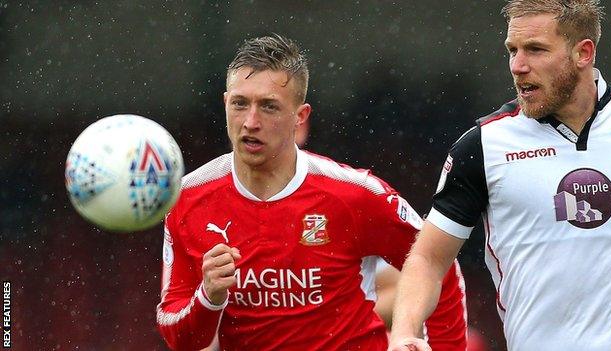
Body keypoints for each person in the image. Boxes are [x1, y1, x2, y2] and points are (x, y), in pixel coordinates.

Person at [156, 34, 467, 350]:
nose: (250, 122)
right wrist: (208, 296)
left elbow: (438, 266)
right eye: (240, 104)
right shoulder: (186, 198)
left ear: (299, 117)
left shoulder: (356, 195)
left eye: (268, 107)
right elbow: (180, 339)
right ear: (225, 105)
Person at [389, 1, 611, 350]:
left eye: (535, 49)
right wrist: (404, 332)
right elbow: (428, 258)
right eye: (512, 50)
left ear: (583, 52)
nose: (518, 66)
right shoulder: (484, 146)